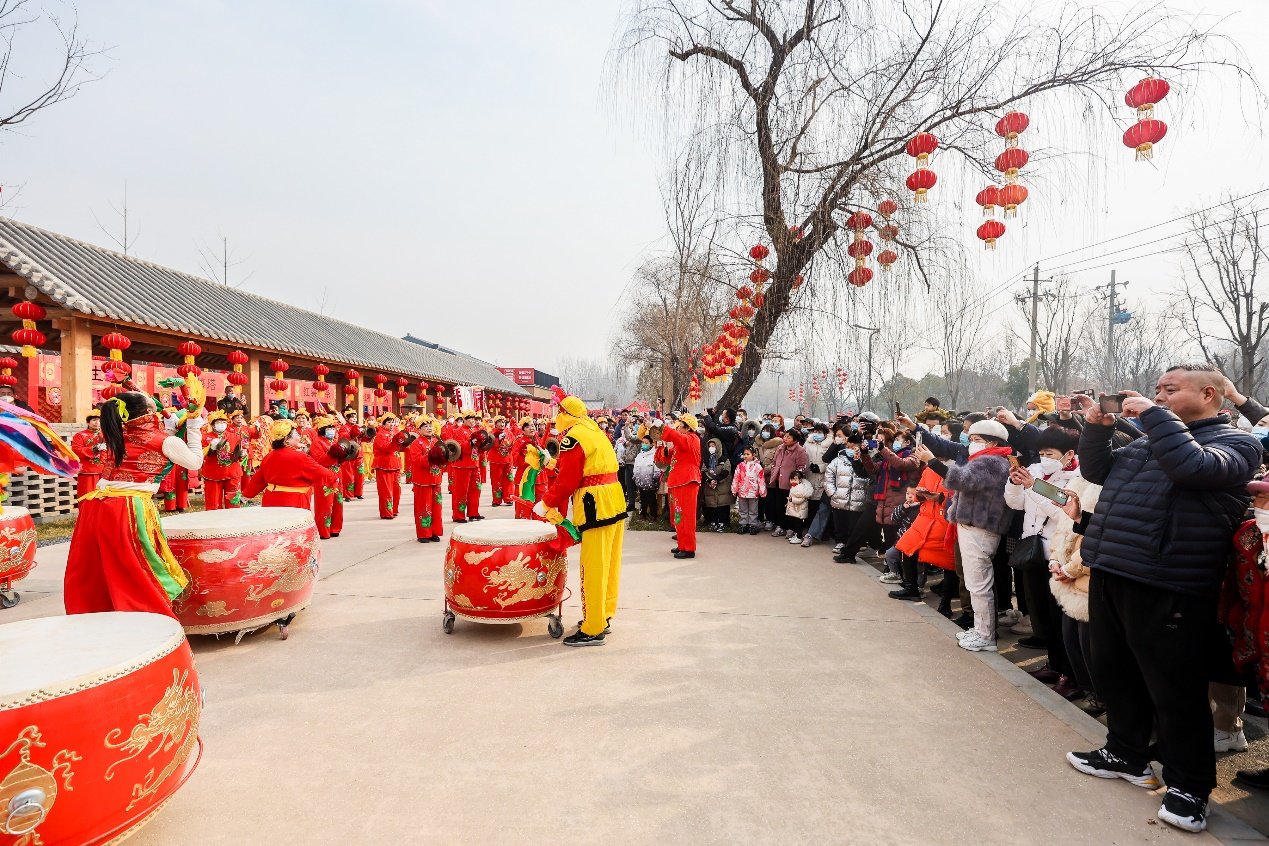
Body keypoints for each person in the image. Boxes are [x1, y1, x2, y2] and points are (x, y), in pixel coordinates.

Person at [1066, 365, 1261, 834]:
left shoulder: (1238, 444)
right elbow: (1097, 471)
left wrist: (1156, 416)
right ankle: (1127, 752)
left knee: (1173, 689)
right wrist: (1097, 428)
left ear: (1210, 394)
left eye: (1171, 391)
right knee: (1113, 670)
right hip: (1114, 568)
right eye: (1158, 391)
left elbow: (1192, 467)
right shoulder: (1149, 439)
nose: (1160, 397)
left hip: (1168, 580)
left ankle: (1190, 786)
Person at [64, 391, 205, 617]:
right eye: (153, 404)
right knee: (137, 567)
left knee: (98, 569)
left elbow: (148, 442)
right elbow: (195, 461)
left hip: (97, 506)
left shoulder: (116, 432)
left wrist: (170, 427)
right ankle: (147, 616)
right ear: (149, 412)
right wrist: (195, 426)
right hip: (128, 508)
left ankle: (100, 616)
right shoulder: (167, 441)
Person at [535, 395, 625, 647]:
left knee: (593, 567)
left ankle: (592, 627)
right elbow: (585, 469)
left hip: (594, 505)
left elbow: (568, 481)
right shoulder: (594, 430)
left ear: (565, 414)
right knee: (609, 563)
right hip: (613, 501)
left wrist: (547, 502)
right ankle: (603, 616)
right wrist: (549, 462)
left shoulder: (573, 438)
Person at [1004, 425, 1081, 696]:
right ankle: (1054, 663)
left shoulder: (1078, 477)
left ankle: (1071, 674)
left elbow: (1064, 513)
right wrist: (1014, 484)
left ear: (1069, 453)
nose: (1043, 457)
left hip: (1059, 556)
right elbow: (1015, 504)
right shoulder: (1035, 471)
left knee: (1062, 619)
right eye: (1041, 452)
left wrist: (1034, 487)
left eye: (1050, 452)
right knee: (1041, 614)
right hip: (1031, 548)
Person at [941, 419, 1014, 653]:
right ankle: (981, 628)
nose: (971, 444)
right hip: (973, 527)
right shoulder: (990, 461)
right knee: (975, 583)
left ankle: (985, 635)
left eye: (976, 440)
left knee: (979, 584)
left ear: (992, 442)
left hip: (980, 529)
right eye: (971, 440)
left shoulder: (991, 462)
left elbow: (959, 479)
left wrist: (931, 462)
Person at [241, 419, 338, 509]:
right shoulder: (301, 457)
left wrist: (246, 495)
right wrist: (334, 476)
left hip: (270, 500)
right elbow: (321, 473)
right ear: (287, 439)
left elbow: (258, 481)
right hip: (294, 501)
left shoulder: (269, 456)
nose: (299, 436)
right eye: (296, 434)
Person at [658, 410, 702, 560]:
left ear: (688, 428)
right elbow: (669, 455)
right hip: (680, 481)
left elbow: (677, 438)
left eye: (680, 426)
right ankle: (683, 544)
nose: (677, 429)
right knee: (679, 514)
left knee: (686, 516)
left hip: (688, 480)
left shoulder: (692, 438)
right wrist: (661, 446)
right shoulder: (683, 441)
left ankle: (689, 548)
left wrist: (664, 428)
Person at [407, 416, 446, 543]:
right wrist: (430, 455)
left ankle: (434, 532)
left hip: (436, 479)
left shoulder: (436, 441)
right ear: (419, 429)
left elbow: (443, 459)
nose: (429, 428)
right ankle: (423, 534)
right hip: (422, 481)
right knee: (424, 507)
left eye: (430, 426)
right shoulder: (416, 443)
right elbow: (417, 461)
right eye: (425, 426)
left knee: (436, 507)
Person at [307, 415, 345, 538]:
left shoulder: (333, 441)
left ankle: (335, 528)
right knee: (324, 504)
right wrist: (334, 455)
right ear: (322, 429)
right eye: (329, 428)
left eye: (333, 428)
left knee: (337, 501)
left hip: (336, 474)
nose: (332, 430)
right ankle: (323, 530)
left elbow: (339, 459)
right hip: (323, 476)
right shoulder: (317, 443)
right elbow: (320, 460)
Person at [201, 410, 246, 511]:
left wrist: (242, 454)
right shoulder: (205, 437)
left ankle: (233, 522)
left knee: (233, 502)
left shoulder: (234, 435)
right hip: (213, 474)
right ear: (212, 425)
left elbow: (239, 453)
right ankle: (214, 523)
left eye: (223, 422)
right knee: (213, 504)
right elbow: (202, 456)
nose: (221, 424)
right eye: (218, 422)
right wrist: (211, 448)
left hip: (232, 473)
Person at [769, 429, 810, 539]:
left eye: (789, 437)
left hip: (791, 485)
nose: (785, 439)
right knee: (779, 506)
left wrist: (795, 479)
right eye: (785, 436)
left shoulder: (800, 451)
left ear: (795, 440)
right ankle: (781, 526)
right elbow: (775, 462)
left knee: (791, 508)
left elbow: (802, 467)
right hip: (778, 481)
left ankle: (790, 528)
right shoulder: (780, 448)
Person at [372, 413, 404, 520]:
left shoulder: (396, 431)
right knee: (386, 490)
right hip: (384, 466)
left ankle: (394, 509)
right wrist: (396, 442)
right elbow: (386, 448)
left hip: (396, 465)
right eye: (389, 422)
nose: (392, 424)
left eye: (393, 422)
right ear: (384, 423)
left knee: (397, 489)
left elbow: (401, 446)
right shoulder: (380, 435)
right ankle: (386, 512)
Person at [70, 409, 106, 500]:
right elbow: (76, 450)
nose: (97, 423)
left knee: (103, 498)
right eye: (94, 420)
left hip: (104, 472)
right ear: (88, 422)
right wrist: (94, 449)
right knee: (87, 498)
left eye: (99, 420)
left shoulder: (106, 435)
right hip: (87, 472)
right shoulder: (80, 435)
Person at [701, 436, 733, 532]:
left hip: (722, 486)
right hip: (710, 487)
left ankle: (723, 522)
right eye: (710, 446)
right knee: (712, 506)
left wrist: (716, 480)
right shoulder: (706, 460)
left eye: (713, 446)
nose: (711, 448)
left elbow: (726, 471)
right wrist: (710, 480)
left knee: (722, 506)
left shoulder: (724, 459)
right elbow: (704, 471)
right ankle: (713, 522)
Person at [731, 446, 765, 535]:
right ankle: (743, 524)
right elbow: (736, 478)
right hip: (742, 491)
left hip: (753, 492)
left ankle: (752, 524)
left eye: (748, 454)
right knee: (743, 509)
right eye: (744, 454)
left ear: (753, 455)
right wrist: (734, 489)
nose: (745, 456)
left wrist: (762, 491)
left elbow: (761, 479)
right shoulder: (740, 466)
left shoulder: (758, 466)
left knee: (753, 510)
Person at [339, 407, 367, 501]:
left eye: (355, 417)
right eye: (351, 417)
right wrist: (352, 433)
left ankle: (358, 493)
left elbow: (365, 439)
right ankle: (348, 494)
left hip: (359, 454)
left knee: (360, 474)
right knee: (348, 475)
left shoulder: (358, 426)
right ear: (346, 418)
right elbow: (343, 438)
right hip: (349, 454)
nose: (354, 418)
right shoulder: (343, 428)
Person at [632, 434, 662, 520]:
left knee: (651, 500)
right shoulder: (639, 456)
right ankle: (643, 514)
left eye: (646, 443)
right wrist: (635, 478)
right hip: (640, 483)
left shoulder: (654, 455)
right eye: (643, 442)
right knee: (643, 500)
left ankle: (653, 515)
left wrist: (655, 480)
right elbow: (635, 469)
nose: (644, 444)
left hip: (650, 483)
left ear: (651, 444)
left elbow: (657, 470)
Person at [784, 470, 814, 544]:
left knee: (799, 524)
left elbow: (801, 500)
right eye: (791, 479)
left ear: (800, 480)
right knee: (795, 523)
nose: (793, 481)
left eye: (795, 479)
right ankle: (796, 535)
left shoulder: (801, 488)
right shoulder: (795, 487)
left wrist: (791, 500)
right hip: (795, 509)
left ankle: (799, 537)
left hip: (800, 510)